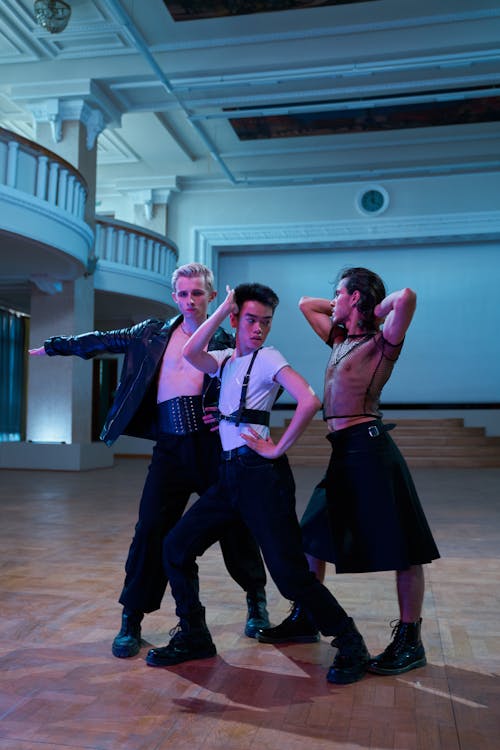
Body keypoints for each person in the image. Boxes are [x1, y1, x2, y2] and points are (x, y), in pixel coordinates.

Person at [29, 263, 270, 658]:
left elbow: (253, 385)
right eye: (183, 294)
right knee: (150, 530)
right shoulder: (151, 334)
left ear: (211, 296)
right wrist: (57, 346)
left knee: (235, 524)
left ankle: (255, 599)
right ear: (174, 296)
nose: (190, 301)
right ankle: (132, 619)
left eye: (197, 293)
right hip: (170, 450)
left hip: (211, 448)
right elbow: (103, 340)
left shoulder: (227, 338)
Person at [145, 282, 371, 685]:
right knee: (176, 546)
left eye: (265, 322)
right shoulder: (226, 357)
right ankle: (195, 634)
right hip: (228, 476)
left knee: (287, 573)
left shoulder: (269, 358)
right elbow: (190, 352)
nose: (258, 330)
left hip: (260, 476)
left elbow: (309, 399)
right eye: (250, 320)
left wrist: (277, 447)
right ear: (235, 319)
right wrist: (223, 309)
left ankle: (349, 640)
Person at [258, 267, 440, 676]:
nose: (333, 300)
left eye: (339, 294)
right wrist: (346, 309)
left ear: (356, 298)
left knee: (405, 547)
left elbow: (407, 296)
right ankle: (308, 616)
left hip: (372, 450)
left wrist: (370, 310)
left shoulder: (382, 342)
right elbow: (307, 303)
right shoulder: (339, 338)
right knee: (311, 537)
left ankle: (411, 640)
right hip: (342, 452)